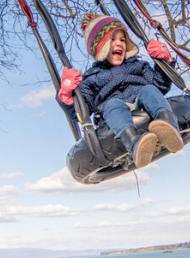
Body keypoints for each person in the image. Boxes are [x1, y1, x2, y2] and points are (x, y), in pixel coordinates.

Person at [57, 12, 183, 168]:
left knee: (149, 90)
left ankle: (169, 126)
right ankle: (135, 143)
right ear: (99, 46)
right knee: (113, 104)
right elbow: (80, 114)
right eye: (112, 39)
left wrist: (164, 62)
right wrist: (67, 95)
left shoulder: (138, 65)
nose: (119, 44)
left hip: (141, 105)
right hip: (114, 118)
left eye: (122, 40)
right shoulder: (91, 78)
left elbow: (160, 86)